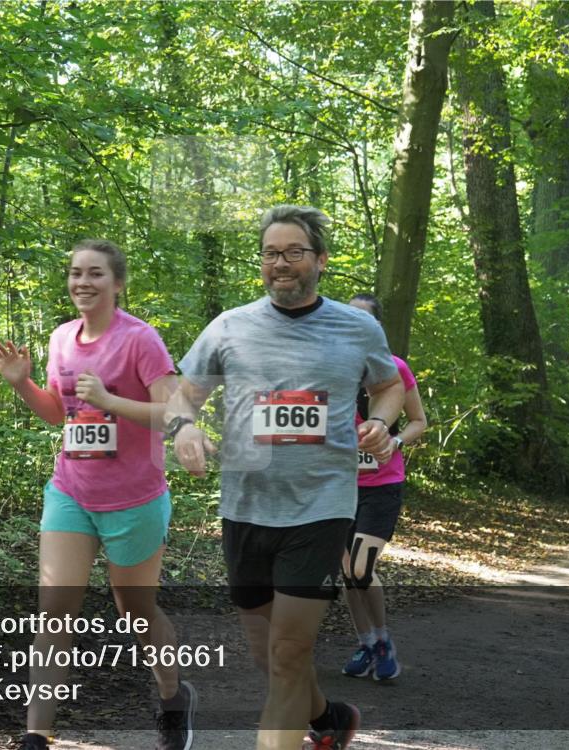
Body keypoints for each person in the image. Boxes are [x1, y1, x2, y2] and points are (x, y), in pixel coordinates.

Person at [164, 206, 404, 750]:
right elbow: (181, 394)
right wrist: (184, 428)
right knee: (269, 655)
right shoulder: (230, 326)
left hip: (322, 508)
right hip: (246, 507)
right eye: (272, 253)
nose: (281, 263)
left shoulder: (357, 326)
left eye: (294, 252)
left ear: (320, 260)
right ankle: (329, 718)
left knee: (289, 652)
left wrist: (378, 420)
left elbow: (389, 386)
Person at [0, 239, 195, 750]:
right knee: (55, 610)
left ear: (118, 283)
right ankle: (36, 735)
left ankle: (173, 695)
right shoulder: (61, 338)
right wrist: (22, 384)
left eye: (96, 274)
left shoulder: (141, 340)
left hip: (135, 497)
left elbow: (174, 414)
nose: (83, 282)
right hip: (71, 491)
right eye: (76, 273)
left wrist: (110, 399)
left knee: (136, 611)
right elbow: (61, 415)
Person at [339, 294, 427, 683]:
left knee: (361, 566)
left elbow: (418, 421)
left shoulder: (395, 368)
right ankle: (366, 643)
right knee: (346, 571)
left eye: (363, 320)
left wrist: (396, 442)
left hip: (382, 486)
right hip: (337, 486)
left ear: (376, 328)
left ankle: (383, 641)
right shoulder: (331, 369)